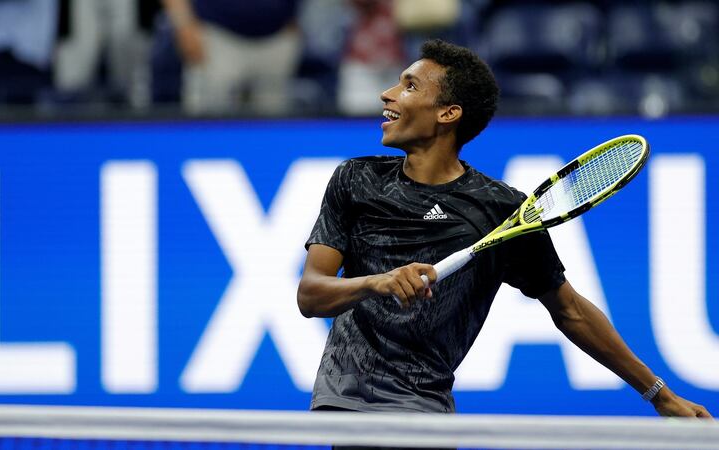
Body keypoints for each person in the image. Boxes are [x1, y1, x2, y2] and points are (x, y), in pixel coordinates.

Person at [297, 39, 711, 418]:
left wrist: (660, 394)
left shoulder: (498, 209)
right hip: (345, 399)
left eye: (409, 86)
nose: (387, 94)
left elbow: (570, 310)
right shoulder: (356, 180)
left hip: (423, 408)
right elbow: (311, 294)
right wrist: (377, 283)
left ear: (448, 113)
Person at [161, 0, 301, 116]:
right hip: (215, 37)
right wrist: (184, 25)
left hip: (276, 38)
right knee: (206, 129)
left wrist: (297, 17)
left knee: (274, 131)